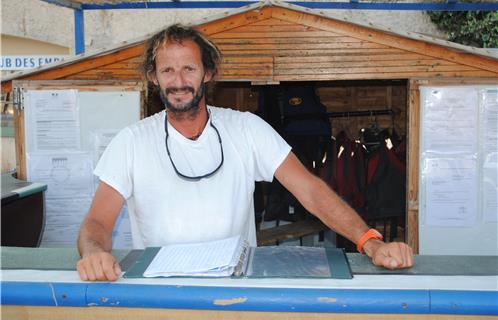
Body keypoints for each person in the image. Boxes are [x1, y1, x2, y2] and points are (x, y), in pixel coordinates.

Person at [76, 24, 413, 281]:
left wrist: (369, 240)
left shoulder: (246, 129)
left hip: (236, 291)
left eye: (189, 69)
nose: (179, 81)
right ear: (154, 78)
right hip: (162, 293)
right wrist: (94, 254)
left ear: (208, 73)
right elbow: (97, 221)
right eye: (167, 70)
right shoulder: (131, 141)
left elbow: (310, 190)